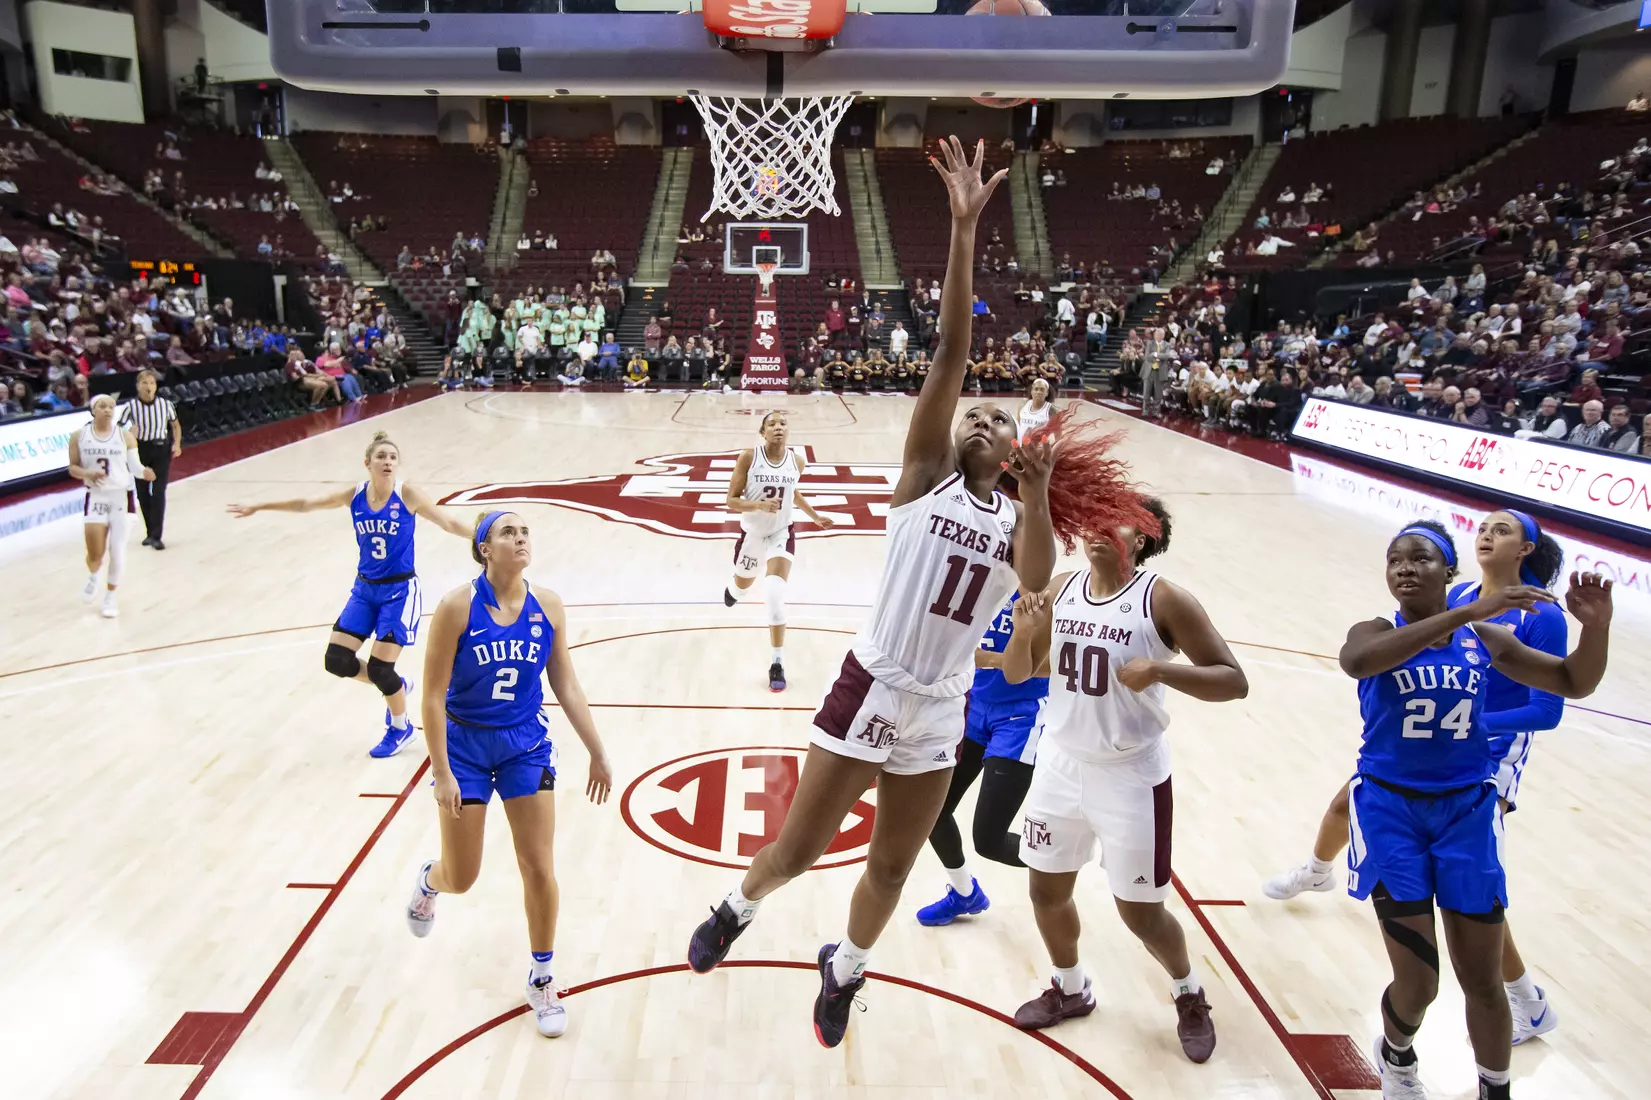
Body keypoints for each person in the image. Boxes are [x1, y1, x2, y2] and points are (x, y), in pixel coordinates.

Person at [684, 138, 1146, 1049]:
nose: (978, 412)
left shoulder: (1022, 511)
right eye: (971, 409)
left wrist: (1039, 487)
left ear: (1010, 448)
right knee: (802, 846)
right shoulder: (923, 479)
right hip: (874, 677)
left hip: (942, 703)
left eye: (993, 416)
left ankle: (844, 968)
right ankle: (739, 906)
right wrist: (963, 228)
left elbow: (1033, 580)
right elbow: (948, 349)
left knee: (892, 866)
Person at [1323, 522, 1611, 1100]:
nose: (1405, 567)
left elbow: (1573, 682)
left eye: (1421, 559)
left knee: (1482, 980)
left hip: (1467, 812)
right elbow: (1359, 662)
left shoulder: (1486, 639)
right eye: (1395, 559)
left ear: (1446, 571)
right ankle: (1398, 1056)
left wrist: (1597, 630)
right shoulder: (1375, 629)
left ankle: (1494, 1089)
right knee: (1420, 984)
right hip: (1390, 811)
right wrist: (1469, 613)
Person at [1264, 511, 1570, 1042]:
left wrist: (1466, 723)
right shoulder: (1467, 594)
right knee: (1348, 804)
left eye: (1503, 531)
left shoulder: (1540, 612)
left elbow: (1548, 710)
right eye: (1485, 527)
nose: (1487, 534)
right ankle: (1319, 868)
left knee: (1475, 893)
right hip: (1435, 735)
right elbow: (1424, 642)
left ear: (1526, 549)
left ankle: (1524, 998)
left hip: (1492, 754)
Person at [1001, 499, 1247, 1063]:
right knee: (1045, 890)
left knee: (1140, 913)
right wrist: (1022, 634)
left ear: (1142, 538)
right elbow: (1021, 672)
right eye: (1094, 519)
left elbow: (1234, 681)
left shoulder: (1163, 599)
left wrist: (1161, 669)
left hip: (1131, 775)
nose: (1099, 530)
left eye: (1117, 521)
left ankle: (1189, 994)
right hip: (1059, 765)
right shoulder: (1061, 587)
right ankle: (1071, 987)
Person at [405, 510, 614, 1039]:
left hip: (525, 744)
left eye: (525, 532)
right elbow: (430, 696)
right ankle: (430, 881)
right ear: (484, 548)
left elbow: (565, 684)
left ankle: (542, 977)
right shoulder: (456, 607)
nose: (521, 539)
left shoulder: (548, 605)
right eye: (508, 533)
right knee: (464, 875)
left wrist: (597, 750)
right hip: (464, 747)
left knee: (539, 864)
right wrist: (442, 771)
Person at [226, 432, 474, 757]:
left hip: (400, 591)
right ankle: (398, 687)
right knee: (337, 661)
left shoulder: (407, 493)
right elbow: (306, 505)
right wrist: (259, 506)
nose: (387, 462)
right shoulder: (354, 495)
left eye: (392, 457)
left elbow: (447, 521)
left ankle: (401, 728)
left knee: (380, 670)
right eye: (381, 457)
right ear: (367, 463)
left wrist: (483, 536)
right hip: (365, 590)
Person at [913, 588, 1046, 928]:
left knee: (989, 841)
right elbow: (950, 650)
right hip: (973, 706)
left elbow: (1051, 666)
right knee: (931, 810)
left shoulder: (1047, 595)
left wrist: (993, 659)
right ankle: (964, 892)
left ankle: (1059, 860)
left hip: (1020, 718)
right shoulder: (979, 583)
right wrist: (1002, 660)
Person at [722, 410, 837, 691]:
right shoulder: (749, 458)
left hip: (780, 533)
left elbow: (792, 491)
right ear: (763, 433)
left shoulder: (797, 461)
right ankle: (736, 590)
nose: (778, 427)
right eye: (771, 424)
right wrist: (758, 505)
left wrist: (814, 515)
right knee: (743, 584)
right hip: (753, 534)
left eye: (783, 423)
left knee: (774, 592)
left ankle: (777, 662)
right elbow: (731, 501)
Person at [68, 394, 155, 619]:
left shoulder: (125, 436)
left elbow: (135, 467)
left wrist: (144, 472)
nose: (108, 410)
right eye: (103, 406)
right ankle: (94, 576)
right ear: (93, 410)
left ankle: (110, 597)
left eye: (111, 407)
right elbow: (73, 469)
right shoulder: (79, 436)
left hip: (120, 497)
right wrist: (88, 473)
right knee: (94, 552)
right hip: (95, 496)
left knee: (117, 551)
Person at [120, 369, 180, 550]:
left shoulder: (165, 404)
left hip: (161, 449)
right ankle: (149, 532)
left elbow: (176, 425)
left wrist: (177, 444)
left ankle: (157, 535)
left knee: (159, 492)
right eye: (145, 383)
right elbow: (117, 429)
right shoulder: (130, 406)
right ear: (138, 386)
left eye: (152, 383)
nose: (149, 386)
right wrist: (129, 434)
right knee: (143, 493)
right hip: (140, 450)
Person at [1018, 377, 1054, 441]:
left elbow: (1058, 434)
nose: (1038, 392)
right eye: (1036, 389)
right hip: (1022, 446)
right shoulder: (1022, 405)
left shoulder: (1051, 410)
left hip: (1040, 448)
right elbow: (1018, 427)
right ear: (1031, 391)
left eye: (1042, 389)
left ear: (1047, 393)